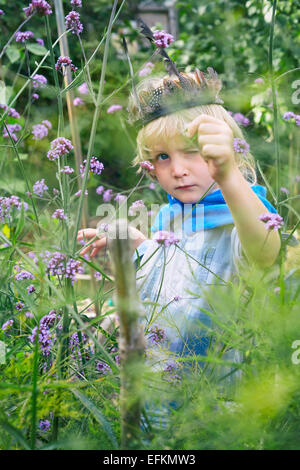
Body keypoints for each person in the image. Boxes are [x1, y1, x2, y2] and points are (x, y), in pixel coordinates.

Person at [77, 68, 281, 383]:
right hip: (157, 385)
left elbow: (265, 250)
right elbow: (177, 271)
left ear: (228, 152)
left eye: (193, 151)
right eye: (162, 157)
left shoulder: (239, 213)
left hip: (213, 394)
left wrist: (226, 174)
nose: (178, 170)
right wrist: (142, 245)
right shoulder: (172, 216)